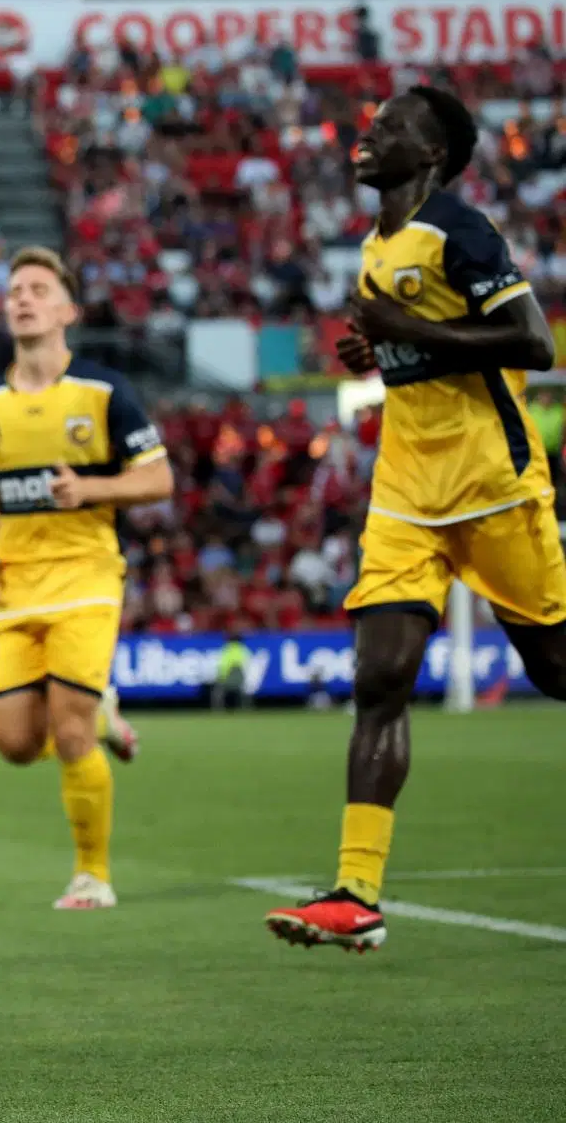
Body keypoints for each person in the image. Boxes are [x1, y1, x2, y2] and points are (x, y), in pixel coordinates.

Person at [265, 87, 562, 953]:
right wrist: (379, 350)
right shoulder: (376, 247)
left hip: (493, 486)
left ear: (431, 153)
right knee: (380, 677)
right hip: (405, 493)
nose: (370, 133)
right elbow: (413, 348)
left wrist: (408, 331)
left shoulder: (458, 230)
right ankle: (357, 893)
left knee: (552, 668)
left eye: (391, 127)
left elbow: (534, 343)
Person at [0, 246, 174, 912]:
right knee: (14, 741)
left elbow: (159, 478)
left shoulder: (106, 393)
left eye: (36, 289)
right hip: (18, 587)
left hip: (87, 578)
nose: (21, 298)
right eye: (14, 289)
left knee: (71, 733)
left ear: (66, 310)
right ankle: (104, 711)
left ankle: (93, 875)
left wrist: (90, 487)